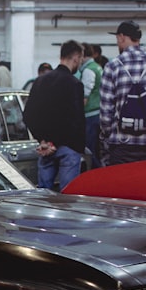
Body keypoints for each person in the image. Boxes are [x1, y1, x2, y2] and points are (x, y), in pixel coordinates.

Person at [98, 20, 146, 166]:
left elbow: (105, 114)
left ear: (121, 37)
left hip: (122, 144)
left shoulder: (112, 67)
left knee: (122, 187)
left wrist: (107, 134)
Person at [22, 40, 85, 190]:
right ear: (76, 57)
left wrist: (43, 141)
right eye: (81, 60)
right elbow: (75, 121)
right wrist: (55, 143)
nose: (80, 63)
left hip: (45, 149)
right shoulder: (75, 84)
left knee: (44, 197)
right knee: (68, 197)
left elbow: (28, 115)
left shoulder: (40, 81)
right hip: (68, 148)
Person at [78, 42, 103, 168]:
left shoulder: (89, 70)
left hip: (90, 115)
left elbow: (85, 96)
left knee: (89, 150)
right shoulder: (97, 67)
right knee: (96, 150)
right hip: (98, 113)